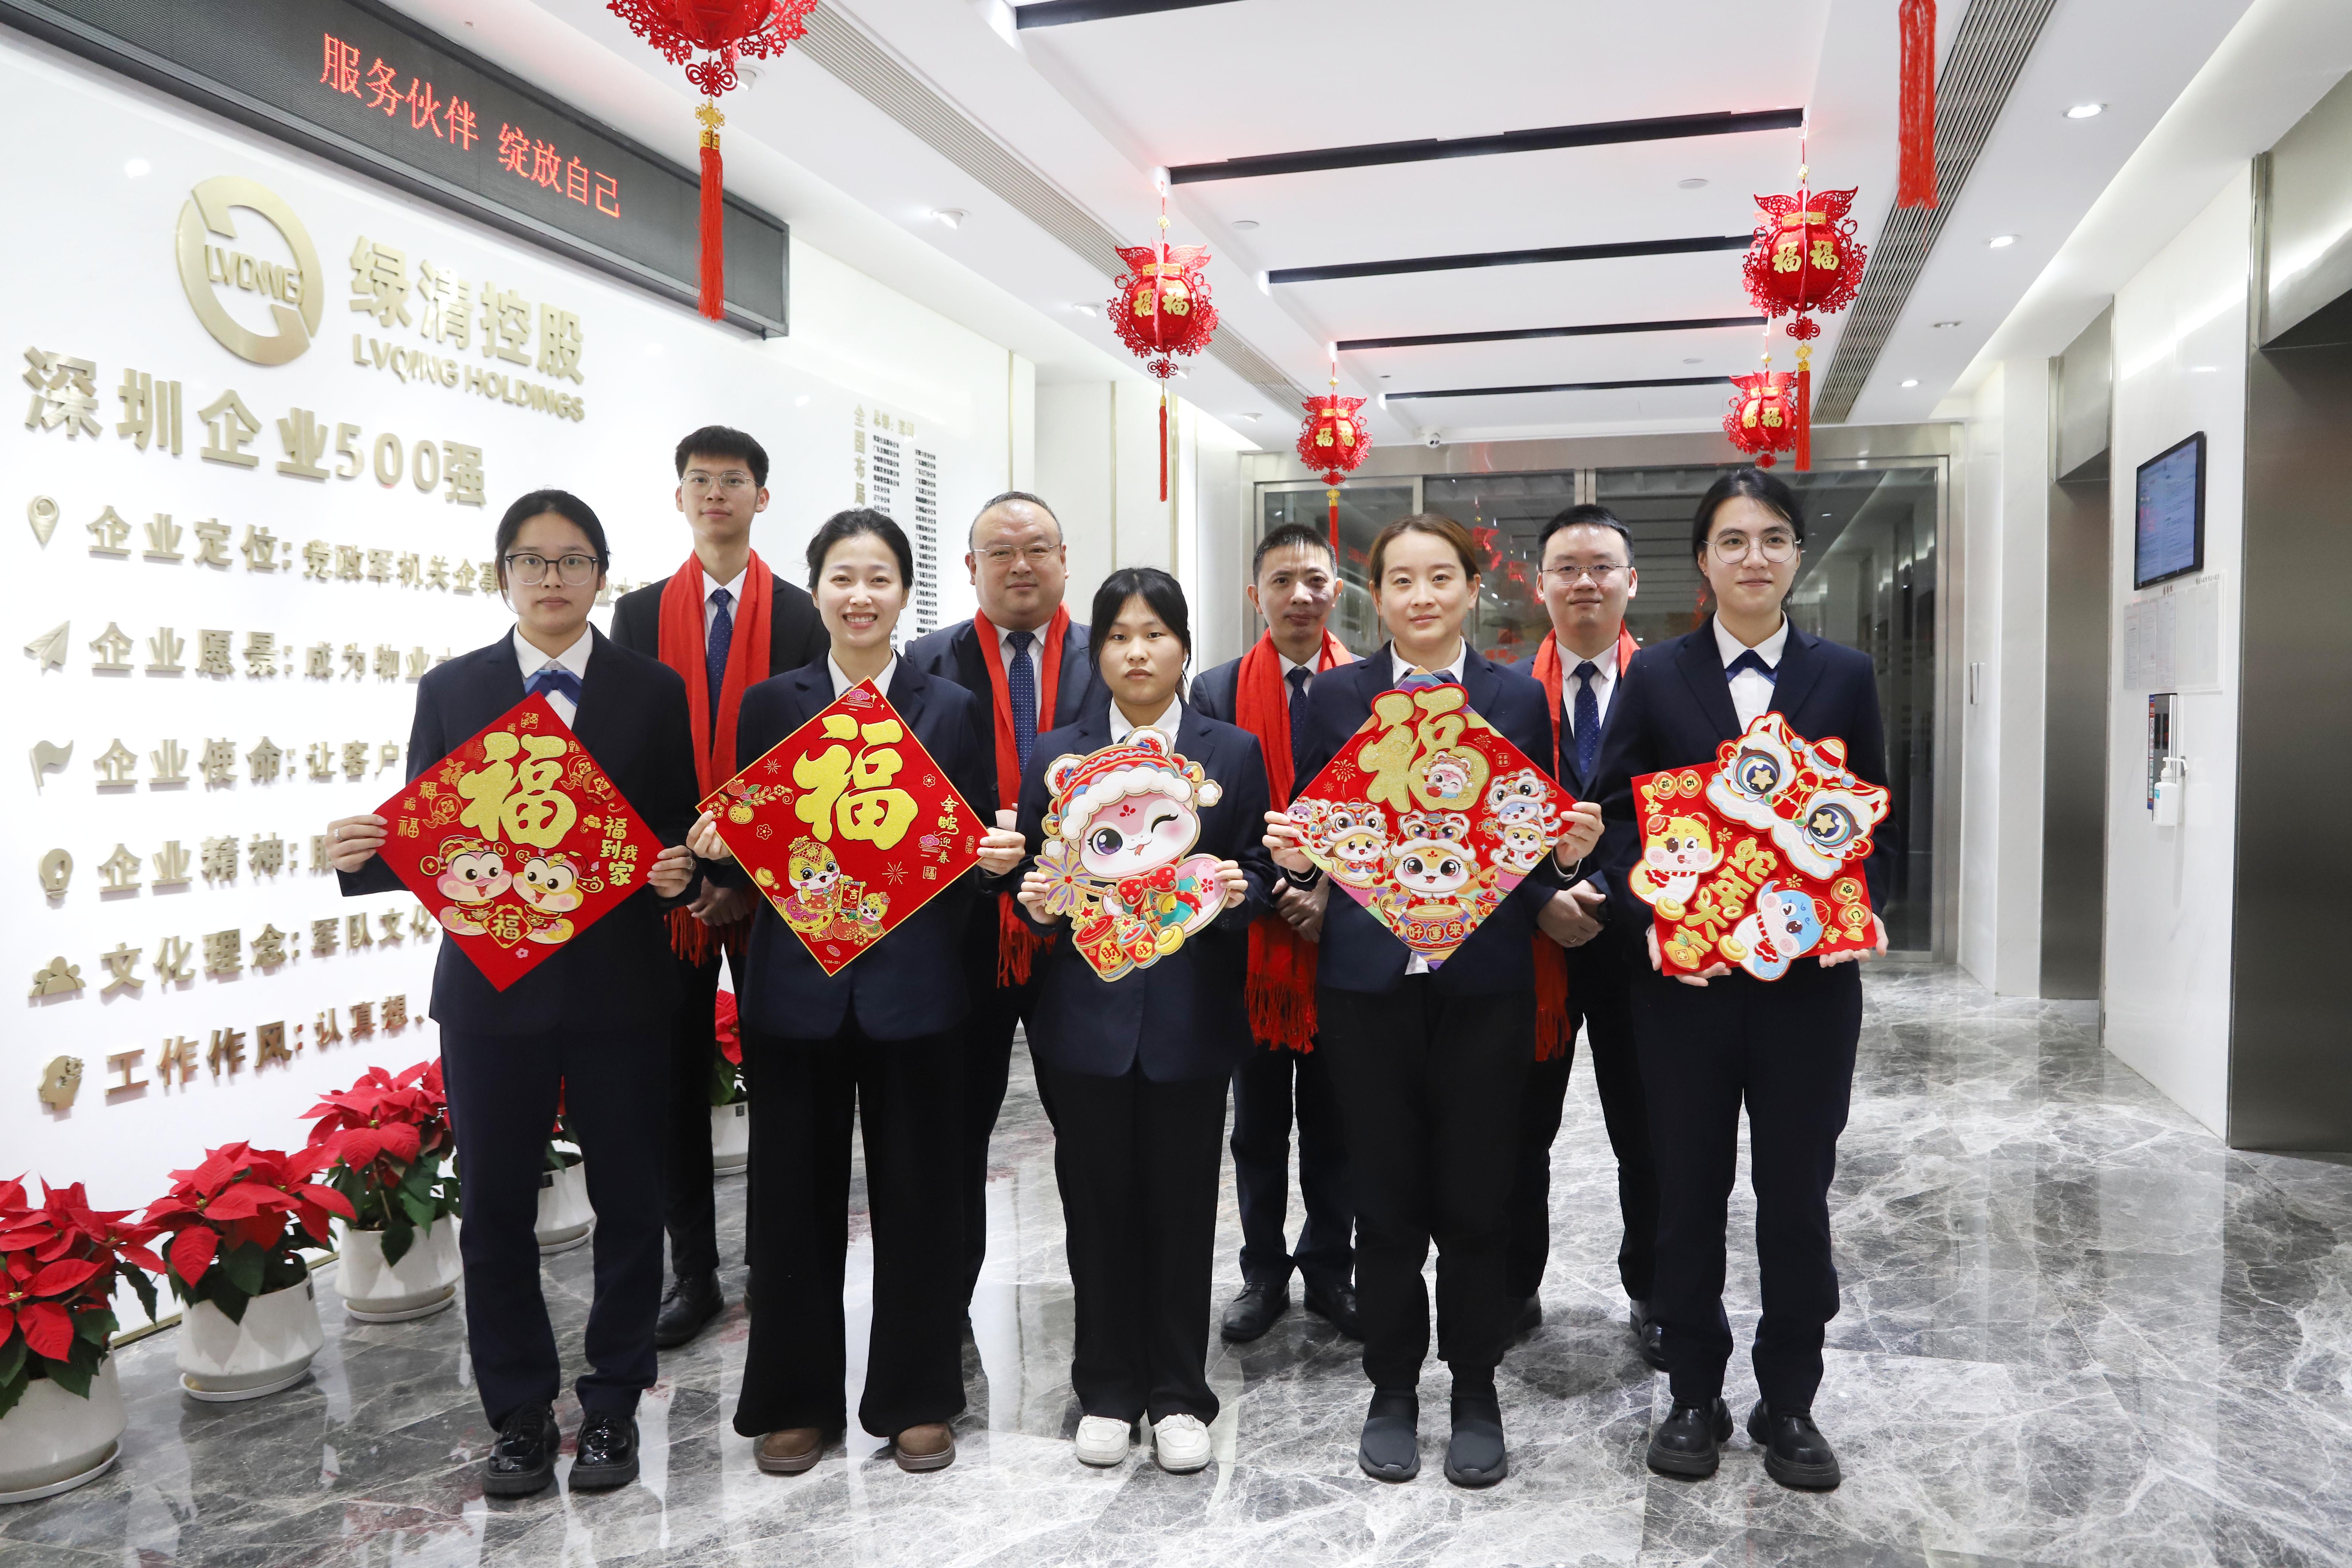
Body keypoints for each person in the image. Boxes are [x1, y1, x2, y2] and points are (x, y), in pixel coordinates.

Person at [326, 490, 701, 1498]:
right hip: (492, 996)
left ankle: (615, 1402)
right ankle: (520, 1414)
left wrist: (682, 871)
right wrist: (362, 855)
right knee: (494, 1209)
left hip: (623, 989)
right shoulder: (453, 688)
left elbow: (676, 828)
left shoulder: (652, 690)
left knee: (632, 1202)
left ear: (602, 577)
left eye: (573, 560)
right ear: (502, 576)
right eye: (531, 561)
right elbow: (434, 837)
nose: (551, 578)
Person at [1262, 515, 1605, 1490]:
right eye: (1402, 580)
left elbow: (1525, 847)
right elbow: (1325, 833)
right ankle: (1393, 1387)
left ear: (1472, 589)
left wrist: (1567, 863)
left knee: (1478, 1196)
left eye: (1441, 577)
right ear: (1376, 596)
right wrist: (1298, 863)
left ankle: (1477, 1387)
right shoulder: (1337, 696)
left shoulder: (1516, 697)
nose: (1422, 596)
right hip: (1367, 987)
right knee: (1384, 1200)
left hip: (1486, 985)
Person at [686, 510, 1025, 1477]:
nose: (861, 596)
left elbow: (965, 855)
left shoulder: (949, 705)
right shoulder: (771, 703)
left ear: (905, 592)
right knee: (790, 1201)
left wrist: (994, 863)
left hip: (916, 993)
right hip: (795, 992)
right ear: (817, 591)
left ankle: (917, 1396)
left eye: (879, 578)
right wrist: (718, 851)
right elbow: (754, 852)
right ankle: (794, 1398)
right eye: (843, 577)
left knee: (922, 1198)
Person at [1590, 467, 1895, 1492]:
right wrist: (1662, 903)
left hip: (1808, 989)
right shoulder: (1655, 675)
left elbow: (1872, 811)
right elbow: (1617, 818)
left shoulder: (1844, 673)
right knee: (1685, 1190)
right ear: (1704, 561)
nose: (1753, 557)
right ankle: (1692, 1392)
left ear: (1798, 556)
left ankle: (1791, 1398)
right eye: (1733, 540)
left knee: (1796, 1196)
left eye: (1772, 539)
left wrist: (1840, 899)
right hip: (1685, 993)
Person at [1013, 568, 1273, 1475]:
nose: (1137, 651)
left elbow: (1256, 869)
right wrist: (1036, 904)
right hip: (1084, 1021)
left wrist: (1240, 889)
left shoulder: (1230, 751)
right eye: (1119, 635)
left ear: (1183, 646)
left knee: (1182, 1208)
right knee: (1094, 1210)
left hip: (1190, 1020)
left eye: (1155, 633)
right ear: (1098, 652)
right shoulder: (1058, 754)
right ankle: (1106, 1390)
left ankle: (1178, 1395)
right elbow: (1037, 882)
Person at [610, 425, 829, 1350]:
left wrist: (743, 874)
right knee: (674, 1082)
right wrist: (691, 875)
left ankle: (777, 1266)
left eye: (732, 480)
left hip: (775, 891)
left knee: (785, 1076)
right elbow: (629, 752)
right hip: (673, 885)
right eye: (699, 479)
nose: (715, 494)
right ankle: (691, 1271)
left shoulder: (802, 614)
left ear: (760, 497)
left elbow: (814, 758)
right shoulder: (638, 614)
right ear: (680, 496)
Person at [902, 492, 1102, 1306]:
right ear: (970, 566)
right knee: (952, 1130)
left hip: (1080, 932)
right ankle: (946, 1306)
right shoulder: (924, 662)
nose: (1021, 565)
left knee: (1089, 1127)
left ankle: (1103, 1300)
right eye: (1000, 552)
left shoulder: (1112, 655)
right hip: (962, 933)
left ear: (1064, 559)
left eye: (1037, 548)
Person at [1190, 523, 1361, 1344]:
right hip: (1249, 944)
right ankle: (1262, 1271)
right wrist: (1276, 888)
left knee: (1337, 1122)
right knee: (1256, 1127)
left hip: (1343, 939)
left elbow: (1380, 817)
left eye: (1316, 581)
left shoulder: (1366, 687)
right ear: (1255, 594)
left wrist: (1327, 889)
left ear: (1338, 592)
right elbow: (1206, 815)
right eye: (1283, 581)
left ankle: (1331, 1268)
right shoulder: (1215, 690)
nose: (1301, 596)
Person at [1505, 504, 1663, 1369]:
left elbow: (1684, 818)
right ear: (1541, 585)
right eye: (1567, 568)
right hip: (1531, 948)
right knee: (1516, 1130)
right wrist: (1540, 899)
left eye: (1602, 566)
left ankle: (1655, 1292)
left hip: (1638, 941)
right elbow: (1481, 824)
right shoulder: (1504, 695)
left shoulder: (1671, 685)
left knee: (1650, 1130)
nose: (1585, 583)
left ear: (1630, 581)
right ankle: (1512, 1288)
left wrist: (1603, 891)